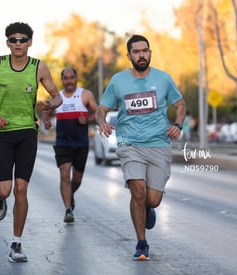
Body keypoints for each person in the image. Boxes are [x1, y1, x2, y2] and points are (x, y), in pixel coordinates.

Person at [0, 22, 62, 263]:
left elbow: (57, 97)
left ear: (30, 42)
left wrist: (47, 106)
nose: (18, 43)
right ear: (7, 43)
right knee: (6, 189)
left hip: (27, 133)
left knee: (21, 188)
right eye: (14, 39)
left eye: (23, 39)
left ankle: (16, 244)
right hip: (2, 132)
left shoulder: (38, 67)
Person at [96, 34, 186, 261]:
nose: (141, 55)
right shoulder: (118, 81)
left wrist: (178, 124)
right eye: (136, 52)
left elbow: (180, 104)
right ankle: (142, 243)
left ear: (150, 53)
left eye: (145, 50)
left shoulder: (164, 79)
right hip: (130, 144)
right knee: (137, 190)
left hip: (158, 144)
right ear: (129, 56)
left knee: (152, 199)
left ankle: (147, 208)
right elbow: (101, 108)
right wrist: (102, 122)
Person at [42, 67, 97, 223]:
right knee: (64, 174)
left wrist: (88, 120)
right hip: (63, 142)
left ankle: (70, 193)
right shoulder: (56, 97)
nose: (69, 81)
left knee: (77, 179)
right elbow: (46, 116)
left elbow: (97, 112)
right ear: (62, 80)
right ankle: (68, 209)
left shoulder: (85, 95)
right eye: (65, 78)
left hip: (81, 143)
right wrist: (46, 123)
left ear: (76, 78)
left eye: (71, 77)